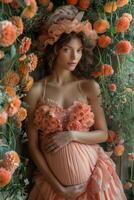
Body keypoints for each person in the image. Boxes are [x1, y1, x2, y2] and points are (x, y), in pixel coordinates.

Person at [25, 5, 127, 200]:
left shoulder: (88, 87)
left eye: (79, 50)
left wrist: (71, 135)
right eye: (67, 50)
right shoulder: (37, 90)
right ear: (54, 50)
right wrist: (60, 189)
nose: (74, 57)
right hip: (55, 189)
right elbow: (33, 146)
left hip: (95, 182)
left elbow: (103, 134)